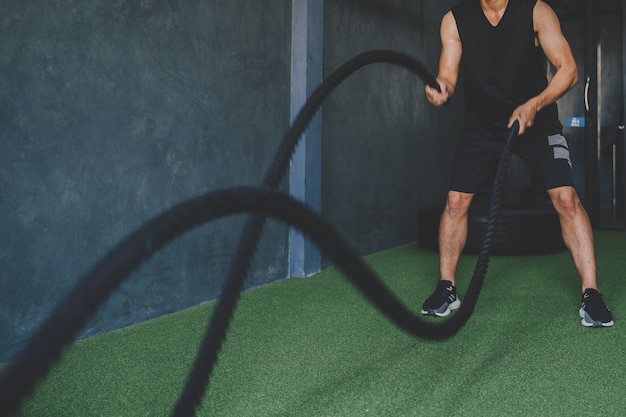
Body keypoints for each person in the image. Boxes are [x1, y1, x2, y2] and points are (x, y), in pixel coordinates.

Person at [421, 0, 614, 327]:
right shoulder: (454, 21)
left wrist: (533, 105)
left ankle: (591, 294)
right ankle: (446, 287)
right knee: (456, 203)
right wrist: (443, 89)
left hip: (536, 121)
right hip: (483, 127)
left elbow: (568, 70)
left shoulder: (536, 11)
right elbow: (448, 74)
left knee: (566, 199)